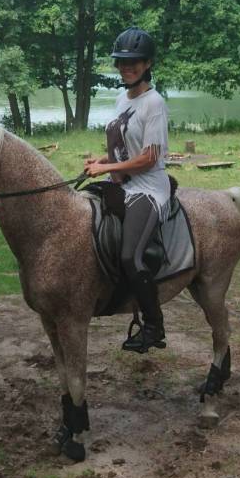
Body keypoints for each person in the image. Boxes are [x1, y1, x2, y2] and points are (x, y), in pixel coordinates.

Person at [84, 27, 170, 353]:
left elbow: (149, 158)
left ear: (147, 64)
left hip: (147, 188)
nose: (126, 67)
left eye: (133, 62)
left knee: (130, 255)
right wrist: (103, 161)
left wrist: (107, 168)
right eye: (121, 62)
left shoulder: (154, 103)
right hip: (121, 182)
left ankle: (154, 326)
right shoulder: (123, 99)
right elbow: (125, 149)